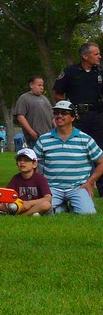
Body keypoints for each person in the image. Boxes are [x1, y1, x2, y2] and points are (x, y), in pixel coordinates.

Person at [33, 100, 103, 215]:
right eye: (56, 113)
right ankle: (62, 208)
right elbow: (33, 163)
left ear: (73, 117)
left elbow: (101, 162)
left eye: (64, 113)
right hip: (52, 188)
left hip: (78, 188)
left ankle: (65, 206)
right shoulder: (43, 139)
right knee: (45, 211)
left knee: (88, 213)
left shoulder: (85, 139)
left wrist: (90, 182)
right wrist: (40, 184)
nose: (59, 116)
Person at [53, 42, 103, 196]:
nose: (99, 57)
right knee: (76, 151)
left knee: (100, 152)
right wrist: (68, 112)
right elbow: (58, 94)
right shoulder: (70, 72)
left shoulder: (100, 72)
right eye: (96, 54)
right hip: (78, 118)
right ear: (85, 56)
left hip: (98, 117)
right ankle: (76, 187)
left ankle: (101, 189)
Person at [0, 148, 52, 216]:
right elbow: (7, 194)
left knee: (46, 204)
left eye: (26, 160)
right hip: (19, 205)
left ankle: (22, 215)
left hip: (34, 205)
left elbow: (48, 198)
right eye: (19, 160)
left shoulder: (40, 178)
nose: (22, 162)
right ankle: (29, 214)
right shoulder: (16, 178)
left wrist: (30, 203)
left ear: (34, 164)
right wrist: (7, 202)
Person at [13, 75, 53, 148]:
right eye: (39, 85)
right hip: (35, 138)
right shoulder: (24, 98)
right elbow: (20, 117)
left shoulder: (45, 99)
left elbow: (52, 117)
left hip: (49, 136)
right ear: (31, 85)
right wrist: (32, 132)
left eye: (42, 85)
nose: (42, 87)